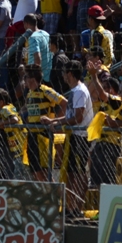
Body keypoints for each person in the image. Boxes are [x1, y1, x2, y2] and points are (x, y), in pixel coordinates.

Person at [40, 60, 91, 215]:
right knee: (70, 173)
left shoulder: (80, 91)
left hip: (80, 137)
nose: (62, 76)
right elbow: (71, 116)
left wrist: (57, 123)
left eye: (63, 73)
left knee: (78, 174)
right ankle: (70, 207)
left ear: (69, 74)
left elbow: (78, 117)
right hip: (73, 137)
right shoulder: (75, 91)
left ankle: (77, 208)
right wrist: (54, 121)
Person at [23, 65, 65, 182]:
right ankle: (44, 196)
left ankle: (55, 197)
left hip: (44, 136)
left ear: (31, 78)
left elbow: (65, 103)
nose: (24, 80)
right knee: (35, 171)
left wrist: (55, 121)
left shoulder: (46, 91)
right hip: (32, 136)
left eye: (26, 77)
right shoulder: (29, 94)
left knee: (46, 172)